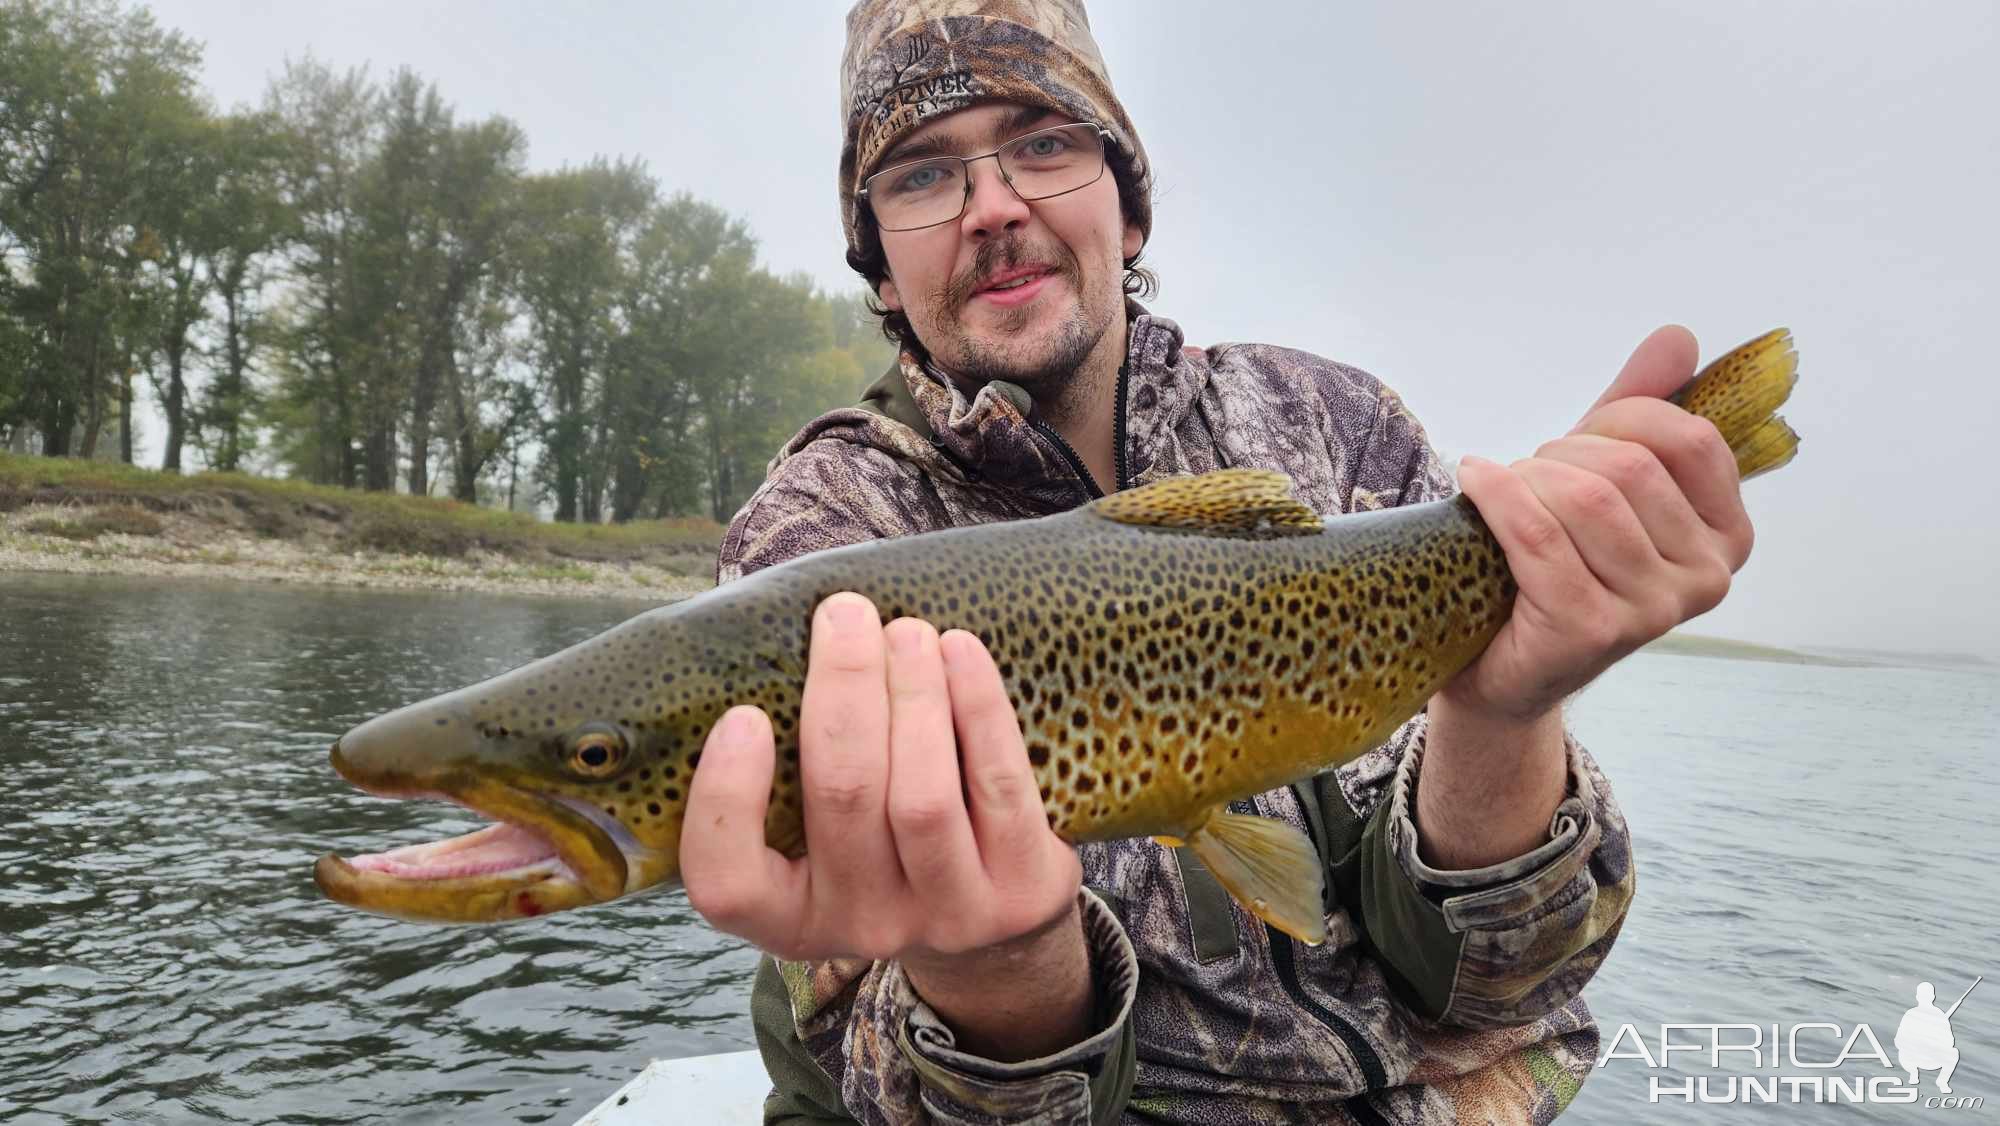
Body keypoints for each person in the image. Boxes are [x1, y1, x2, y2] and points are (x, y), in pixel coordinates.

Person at [680, 2, 1754, 1121]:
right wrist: (1005, 971)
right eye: (918, 175)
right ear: (881, 271)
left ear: (1127, 206)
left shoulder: (1335, 425)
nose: (992, 207)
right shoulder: (823, 541)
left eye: (1043, 143)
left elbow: (1493, 988)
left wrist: (1501, 712)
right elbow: (859, 1080)